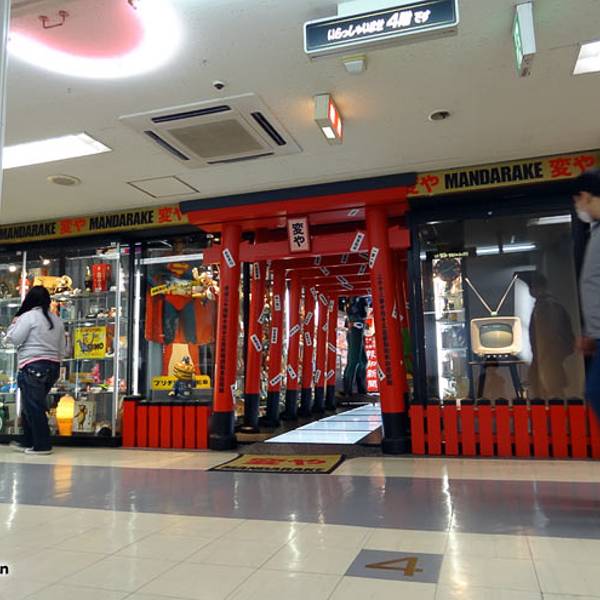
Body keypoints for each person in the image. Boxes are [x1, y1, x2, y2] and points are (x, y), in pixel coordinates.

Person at [6, 286, 65, 455]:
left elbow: (15, 339)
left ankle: (42, 444)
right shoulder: (57, 320)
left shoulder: (28, 317)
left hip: (32, 365)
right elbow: (63, 348)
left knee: (33, 405)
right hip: (53, 367)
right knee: (31, 404)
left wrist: (13, 326)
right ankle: (28, 440)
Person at [519, 272, 575, 399]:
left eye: (532, 287)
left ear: (538, 287)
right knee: (549, 392)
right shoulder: (545, 305)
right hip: (545, 358)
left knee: (553, 393)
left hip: (548, 358)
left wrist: (545, 358)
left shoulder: (547, 306)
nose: (530, 290)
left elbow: (550, 335)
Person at [574, 169, 600, 418]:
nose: (578, 206)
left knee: (595, 391)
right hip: (598, 336)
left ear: (586, 195)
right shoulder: (595, 232)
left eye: (577, 199)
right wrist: (591, 333)